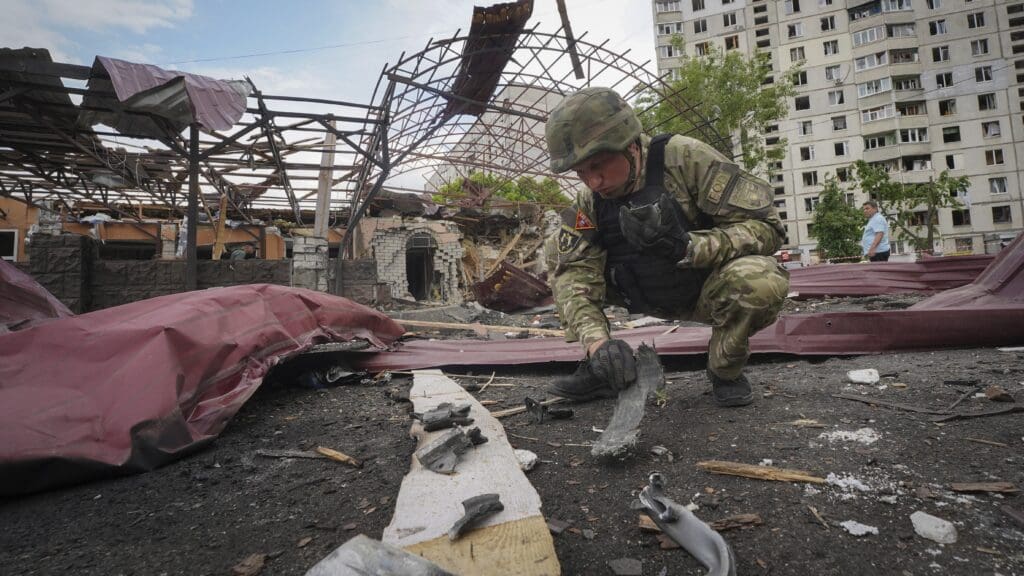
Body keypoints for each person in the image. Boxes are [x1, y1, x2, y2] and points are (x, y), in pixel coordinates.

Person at [542, 87, 790, 407]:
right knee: (562, 262)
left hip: (704, 290)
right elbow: (573, 273)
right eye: (581, 172)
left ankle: (724, 370)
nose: (593, 182)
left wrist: (690, 248)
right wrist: (598, 343)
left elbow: (768, 228)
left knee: (760, 281)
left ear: (630, 146)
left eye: (599, 165)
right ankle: (602, 368)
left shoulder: (686, 160)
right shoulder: (588, 203)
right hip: (637, 291)